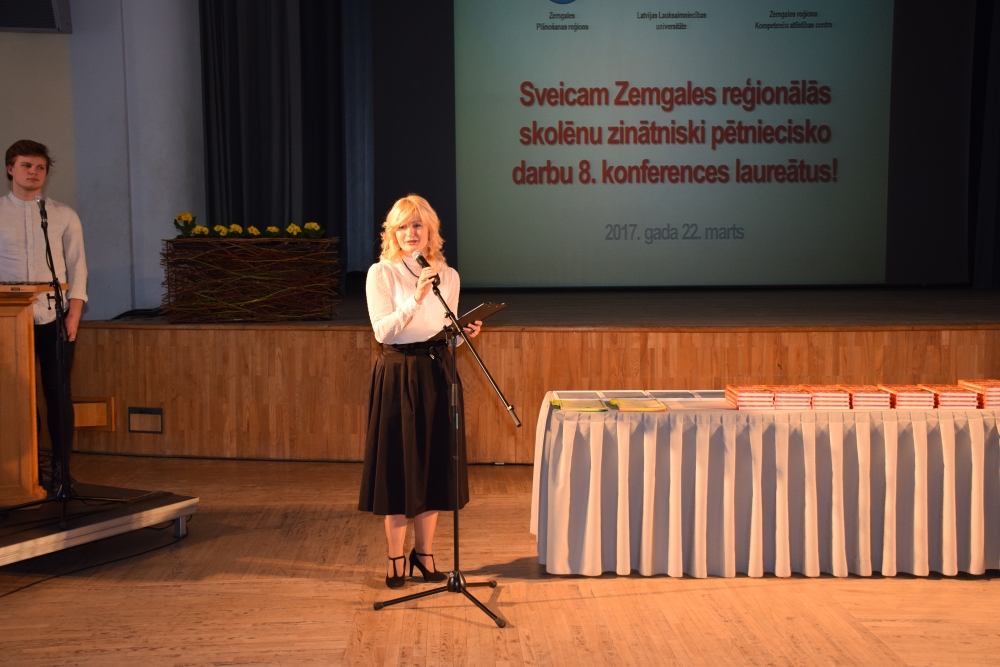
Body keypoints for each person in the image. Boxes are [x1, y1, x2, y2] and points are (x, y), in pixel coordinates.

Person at [358, 194, 482, 588]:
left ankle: (424, 554)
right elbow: (383, 331)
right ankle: (396, 558)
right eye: (403, 226)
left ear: (430, 230)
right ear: (392, 233)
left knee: (434, 465)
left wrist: (463, 334)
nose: (411, 233)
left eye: (417, 225)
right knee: (399, 466)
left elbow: (445, 333)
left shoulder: (448, 275)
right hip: (398, 374)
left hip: (436, 372)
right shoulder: (382, 273)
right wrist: (415, 298)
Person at [0, 140, 88, 489]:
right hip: (8, 320)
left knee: (58, 393)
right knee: (18, 396)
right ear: (11, 169)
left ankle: (61, 471)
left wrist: (74, 314)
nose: (33, 172)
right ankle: (26, 472)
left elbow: (78, 267)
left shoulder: (63, 214)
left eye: (40, 167)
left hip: (55, 316)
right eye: (26, 166)